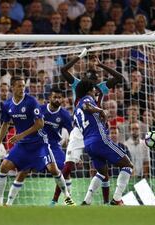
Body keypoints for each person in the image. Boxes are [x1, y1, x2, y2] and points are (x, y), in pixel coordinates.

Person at [0, 77, 75, 206]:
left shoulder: (31, 102)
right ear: (12, 87)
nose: (22, 89)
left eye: (23, 86)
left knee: (54, 170)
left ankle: (67, 197)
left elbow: (40, 124)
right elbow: (5, 124)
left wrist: (20, 135)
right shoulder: (7, 105)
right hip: (23, 144)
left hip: (40, 143)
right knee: (4, 167)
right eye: (19, 86)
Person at [57, 48, 124, 205]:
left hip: (97, 127)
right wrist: (79, 57)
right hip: (81, 129)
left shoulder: (101, 87)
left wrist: (101, 65)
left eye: (94, 81)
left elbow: (119, 77)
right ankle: (59, 199)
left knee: (103, 169)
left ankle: (102, 202)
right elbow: (64, 70)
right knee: (69, 166)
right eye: (91, 82)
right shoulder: (78, 85)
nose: (94, 85)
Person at [75, 79, 133, 206]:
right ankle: (117, 199)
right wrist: (100, 111)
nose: (95, 91)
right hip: (100, 140)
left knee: (102, 172)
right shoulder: (86, 100)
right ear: (89, 90)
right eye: (93, 89)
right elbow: (87, 106)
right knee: (127, 165)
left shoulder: (76, 109)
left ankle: (87, 200)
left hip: (88, 144)